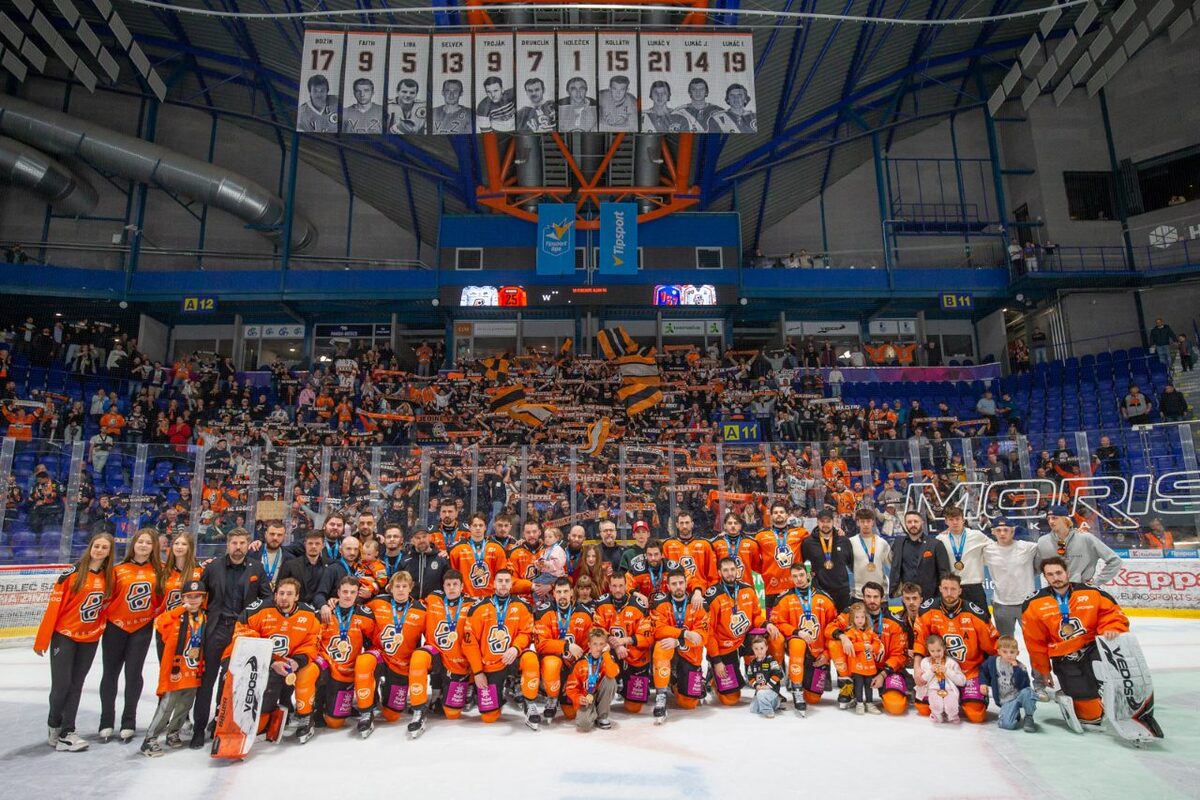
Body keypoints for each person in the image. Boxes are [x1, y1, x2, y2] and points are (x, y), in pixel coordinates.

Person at [1021, 556, 1129, 726]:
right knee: (1091, 717)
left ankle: (1113, 695)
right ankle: (1070, 690)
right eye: (1050, 575)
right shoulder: (1034, 603)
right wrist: (1044, 670)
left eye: (1059, 573)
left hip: (1092, 647)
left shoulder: (1092, 592)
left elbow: (1111, 614)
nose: (1056, 578)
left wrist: (1112, 627)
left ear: (1067, 573)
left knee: (1110, 672)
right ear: (1045, 577)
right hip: (1064, 656)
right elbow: (1035, 642)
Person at [190, 528, 271, 748]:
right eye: (234, 543)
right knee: (207, 680)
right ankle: (198, 728)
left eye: (242, 543)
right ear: (228, 544)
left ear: (248, 545)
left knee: (231, 680)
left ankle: (220, 721)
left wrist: (253, 618)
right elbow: (199, 595)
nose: (238, 547)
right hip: (216, 630)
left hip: (242, 633)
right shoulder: (213, 567)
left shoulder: (257, 568)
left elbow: (267, 598)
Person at [36, 532, 115, 752]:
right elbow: (54, 608)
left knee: (76, 684)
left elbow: (105, 608)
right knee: (62, 685)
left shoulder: (109, 578)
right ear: (90, 547)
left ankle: (67, 731)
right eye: (96, 546)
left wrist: (99, 629)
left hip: (89, 639)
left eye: (104, 548)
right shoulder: (71, 574)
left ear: (109, 553)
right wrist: (42, 640)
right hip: (65, 636)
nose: (99, 550)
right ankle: (54, 723)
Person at [229, 577, 321, 743]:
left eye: (289, 594)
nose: (284, 597)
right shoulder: (257, 610)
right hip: (261, 665)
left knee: (309, 671)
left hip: (290, 665)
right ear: (275, 594)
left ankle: (305, 715)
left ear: (297, 597)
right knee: (259, 724)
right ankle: (256, 715)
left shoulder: (309, 614)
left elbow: (312, 643)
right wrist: (270, 661)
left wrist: (297, 661)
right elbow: (243, 637)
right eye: (281, 593)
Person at [98, 528, 163, 742]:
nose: (143, 545)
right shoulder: (117, 570)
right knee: (110, 674)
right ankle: (106, 721)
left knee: (133, 674)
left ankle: (129, 721)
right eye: (140, 542)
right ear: (133, 544)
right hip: (115, 628)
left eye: (148, 543)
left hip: (141, 629)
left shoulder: (160, 571)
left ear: (154, 547)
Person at [461, 568, 541, 728]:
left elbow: (527, 633)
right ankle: (499, 693)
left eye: (507, 581)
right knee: (489, 718)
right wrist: (477, 672)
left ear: (512, 584)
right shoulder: (478, 607)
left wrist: (516, 648)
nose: (503, 584)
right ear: (493, 583)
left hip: (512, 659)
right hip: (490, 665)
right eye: (500, 581)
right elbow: (469, 643)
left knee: (531, 658)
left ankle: (529, 702)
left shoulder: (522, 605)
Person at [912, 574, 998, 722]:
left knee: (976, 715)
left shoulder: (975, 614)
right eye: (945, 589)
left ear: (960, 591)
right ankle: (953, 696)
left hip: (969, 671)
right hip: (937, 670)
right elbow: (919, 641)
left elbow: (993, 647)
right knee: (924, 709)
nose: (949, 593)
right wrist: (917, 667)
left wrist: (989, 677)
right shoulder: (928, 610)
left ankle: (963, 695)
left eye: (953, 589)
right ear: (940, 589)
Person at [142, 580, 207, 756]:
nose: (193, 600)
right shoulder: (174, 617)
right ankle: (150, 739)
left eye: (197, 596)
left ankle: (173, 733)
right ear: (183, 598)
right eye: (189, 596)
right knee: (167, 706)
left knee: (185, 706)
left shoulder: (205, 617)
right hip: (174, 672)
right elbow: (160, 623)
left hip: (194, 671)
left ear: (203, 598)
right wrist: (181, 609)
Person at [767, 562, 839, 716]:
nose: (799, 579)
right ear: (791, 578)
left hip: (817, 652)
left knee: (813, 699)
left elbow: (832, 629)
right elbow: (777, 622)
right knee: (797, 643)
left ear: (808, 575)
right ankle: (796, 687)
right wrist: (796, 631)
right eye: (795, 576)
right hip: (795, 647)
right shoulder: (785, 598)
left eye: (801, 575)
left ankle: (801, 681)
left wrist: (827, 654)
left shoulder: (824, 599)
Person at [364, 570, 430, 732]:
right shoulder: (377, 603)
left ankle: (387, 688)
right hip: (380, 656)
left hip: (402, 664)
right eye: (397, 586)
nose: (400, 590)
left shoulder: (421, 610)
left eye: (404, 586)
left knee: (391, 716)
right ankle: (367, 708)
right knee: (364, 663)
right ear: (390, 588)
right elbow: (359, 619)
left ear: (410, 588)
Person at [315, 576, 378, 737]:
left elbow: (375, 641)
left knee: (334, 723)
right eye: (344, 592)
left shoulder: (365, 614)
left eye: (352, 592)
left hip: (348, 671)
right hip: (328, 667)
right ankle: (314, 707)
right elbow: (313, 641)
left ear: (358, 593)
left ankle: (367, 704)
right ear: (338, 592)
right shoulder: (325, 613)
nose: (348, 595)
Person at [650, 569, 710, 724]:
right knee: (661, 646)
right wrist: (684, 634)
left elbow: (702, 637)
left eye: (681, 583)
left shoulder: (698, 604)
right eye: (674, 584)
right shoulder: (660, 603)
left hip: (689, 653)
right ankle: (661, 695)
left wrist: (679, 641)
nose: (678, 587)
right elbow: (658, 630)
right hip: (670, 648)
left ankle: (675, 682)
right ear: (668, 586)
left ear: (686, 584)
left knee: (689, 704)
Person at [417, 569, 472, 735]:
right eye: (448, 584)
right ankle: (426, 701)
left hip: (458, 660)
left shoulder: (471, 604)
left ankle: (470, 687)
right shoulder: (433, 599)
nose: (452, 588)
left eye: (455, 584)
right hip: (435, 653)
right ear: (443, 586)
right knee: (419, 658)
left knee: (452, 714)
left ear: (462, 586)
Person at [705, 557, 765, 706]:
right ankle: (713, 678)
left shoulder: (748, 589)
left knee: (764, 637)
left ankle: (760, 680)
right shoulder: (713, 595)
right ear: (719, 572)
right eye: (725, 570)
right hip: (724, 644)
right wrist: (717, 661)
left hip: (744, 639)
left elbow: (756, 616)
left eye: (732, 569)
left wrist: (766, 623)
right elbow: (709, 632)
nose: (730, 573)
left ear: (737, 570)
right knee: (730, 699)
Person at [533, 577, 594, 723]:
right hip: (554, 663)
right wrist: (566, 646)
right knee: (551, 662)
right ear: (553, 593)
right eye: (559, 592)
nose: (562, 595)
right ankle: (552, 697)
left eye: (565, 591)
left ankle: (566, 693)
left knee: (571, 713)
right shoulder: (544, 611)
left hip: (573, 665)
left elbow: (589, 647)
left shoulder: (584, 613)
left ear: (572, 593)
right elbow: (541, 645)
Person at [593, 570, 653, 714]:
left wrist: (624, 641)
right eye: (614, 586)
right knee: (599, 653)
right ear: (610, 586)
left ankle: (627, 685)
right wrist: (616, 644)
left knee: (634, 708)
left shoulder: (639, 605)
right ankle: (603, 692)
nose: (618, 590)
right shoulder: (601, 603)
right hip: (613, 651)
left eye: (621, 586)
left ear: (626, 586)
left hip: (635, 656)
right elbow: (596, 631)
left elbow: (648, 637)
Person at [1034, 504, 1123, 585]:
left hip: (1082, 591)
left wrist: (1097, 582)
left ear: (1065, 519)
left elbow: (1115, 561)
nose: (1051, 521)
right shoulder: (1042, 541)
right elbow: (1037, 569)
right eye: (1048, 519)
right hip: (1054, 593)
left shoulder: (1086, 538)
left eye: (1054, 518)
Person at [983, 517, 1039, 637]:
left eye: (1006, 530)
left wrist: (1073, 532)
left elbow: (1051, 546)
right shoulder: (987, 550)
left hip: (1027, 603)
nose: (1002, 533)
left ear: (1012, 531)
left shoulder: (1027, 547)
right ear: (993, 532)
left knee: (1035, 642)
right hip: (1001, 605)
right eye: (998, 530)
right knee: (1005, 645)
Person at [936, 505, 990, 616]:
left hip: (974, 586)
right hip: (952, 588)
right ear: (946, 521)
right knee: (954, 622)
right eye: (951, 519)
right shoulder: (940, 539)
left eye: (957, 519)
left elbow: (995, 549)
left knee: (983, 621)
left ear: (963, 520)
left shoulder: (977, 535)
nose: (955, 522)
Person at [978, 635, 1038, 732]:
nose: (1008, 655)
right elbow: (982, 671)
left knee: (1028, 692)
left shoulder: (1021, 667)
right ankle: (1013, 712)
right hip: (1006, 700)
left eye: (1012, 652)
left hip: (1019, 696)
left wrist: (1016, 668)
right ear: (999, 652)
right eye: (1005, 652)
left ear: (1017, 653)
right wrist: (983, 683)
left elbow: (1023, 685)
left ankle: (1029, 716)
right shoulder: (992, 662)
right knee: (1007, 725)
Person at [563, 627, 620, 731]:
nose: (598, 648)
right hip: (586, 697)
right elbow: (571, 688)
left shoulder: (607, 659)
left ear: (606, 645)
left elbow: (612, 673)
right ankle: (592, 711)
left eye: (601, 644)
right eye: (595, 644)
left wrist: (606, 654)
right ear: (589, 645)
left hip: (601, 695)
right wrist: (578, 698)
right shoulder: (580, 663)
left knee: (610, 680)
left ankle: (602, 716)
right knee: (583, 725)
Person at [800, 509, 853, 610]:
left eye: (828, 521)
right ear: (817, 522)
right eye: (822, 521)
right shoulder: (808, 543)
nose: (825, 524)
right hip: (820, 591)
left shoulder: (844, 541)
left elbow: (850, 562)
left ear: (833, 522)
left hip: (842, 591)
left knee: (844, 623)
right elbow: (804, 563)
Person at [889, 511, 948, 601]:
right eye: (909, 522)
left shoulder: (935, 544)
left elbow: (944, 572)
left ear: (922, 523)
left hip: (932, 597)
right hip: (908, 597)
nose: (913, 524)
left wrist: (942, 594)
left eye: (916, 521)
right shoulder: (898, 543)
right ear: (905, 524)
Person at [448, 512, 509, 598]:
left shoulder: (497, 548)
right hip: (466, 599)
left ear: (485, 527)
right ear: (469, 527)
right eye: (474, 525)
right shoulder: (458, 549)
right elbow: (453, 576)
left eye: (481, 525)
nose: (478, 528)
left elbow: (501, 576)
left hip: (490, 600)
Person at [840, 602, 884, 715]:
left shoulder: (870, 631)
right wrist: (863, 646)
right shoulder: (851, 632)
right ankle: (859, 703)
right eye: (857, 617)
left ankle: (869, 703)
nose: (860, 620)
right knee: (858, 685)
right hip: (857, 665)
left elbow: (877, 643)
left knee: (868, 685)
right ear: (852, 619)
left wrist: (873, 648)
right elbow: (851, 646)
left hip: (869, 665)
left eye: (862, 617)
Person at [662, 510, 717, 596]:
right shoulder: (667, 545)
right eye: (681, 523)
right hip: (676, 592)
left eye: (687, 523)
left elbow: (712, 575)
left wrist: (711, 593)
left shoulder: (705, 545)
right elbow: (664, 574)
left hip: (701, 593)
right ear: (677, 525)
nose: (684, 526)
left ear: (692, 524)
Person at [278, 529, 335, 609]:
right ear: (305, 544)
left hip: (322, 610)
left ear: (323, 545)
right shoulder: (290, 565)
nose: (313, 546)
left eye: (317, 543)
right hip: (296, 610)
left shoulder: (331, 565)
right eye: (310, 543)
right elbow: (279, 588)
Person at [916, 634, 965, 723]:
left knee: (951, 708)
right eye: (932, 651)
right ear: (928, 650)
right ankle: (936, 715)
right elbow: (922, 680)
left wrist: (947, 671)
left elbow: (962, 681)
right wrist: (931, 671)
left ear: (944, 648)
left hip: (949, 690)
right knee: (936, 706)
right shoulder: (925, 662)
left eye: (939, 650)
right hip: (933, 690)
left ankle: (953, 716)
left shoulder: (951, 662)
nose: (936, 654)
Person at [848, 508, 891, 600]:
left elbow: (893, 565)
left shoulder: (882, 543)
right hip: (858, 594)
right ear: (858, 523)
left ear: (873, 522)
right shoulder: (851, 542)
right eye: (862, 521)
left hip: (880, 594)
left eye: (868, 521)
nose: (866, 524)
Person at [712, 511, 760, 587]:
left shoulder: (751, 543)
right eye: (730, 523)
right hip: (723, 589)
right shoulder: (716, 543)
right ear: (724, 526)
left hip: (746, 588)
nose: (733, 526)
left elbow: (757, 566)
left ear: (740, 526)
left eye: (736, 523)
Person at [399, 528, 447, 600]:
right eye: (417, 538)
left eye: (424, 537)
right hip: (411, 606)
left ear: (430, 537)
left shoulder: (441, 559)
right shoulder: (405, 561)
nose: (421, 540)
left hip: (434, 605)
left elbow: (448, 583)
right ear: (412, 541)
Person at [746, 635, 783, 718]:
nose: (759, 651)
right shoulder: (752, 663)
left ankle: (770, 710)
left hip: (771, 690)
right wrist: (757, 686)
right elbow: (750, 677)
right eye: (756, 649)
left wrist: (768, 686)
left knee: (761, 695)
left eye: (761, 648)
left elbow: (777, 674)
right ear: (753, 649)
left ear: (766, 648)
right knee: (753, 709)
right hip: (760, 690)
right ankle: (771, 705)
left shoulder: (771, 660)